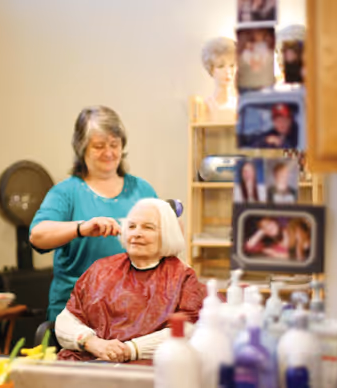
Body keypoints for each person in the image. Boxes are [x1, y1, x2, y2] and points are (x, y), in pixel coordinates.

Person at [30, 106, 157, 322]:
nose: (108, 153)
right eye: (99, 146)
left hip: (132, 314)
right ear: (82, 149)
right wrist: (81, 228)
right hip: (77, 317)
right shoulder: (66, 192)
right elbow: (37, 236)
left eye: (114, 145)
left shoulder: (142, 190)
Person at [54, 198, 206, 364]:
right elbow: (66, 320)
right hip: (88, 360)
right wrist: (92, 343)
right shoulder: (101, 269)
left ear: (167, 234)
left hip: (145, 368)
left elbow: (187, 329)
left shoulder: (182, 276)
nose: (136, 233)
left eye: (148, 227)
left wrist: (131, 349)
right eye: (132, 226)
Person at [201, 37, 237, 113]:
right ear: (211, 69)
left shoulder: (240, 105)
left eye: (232, 65)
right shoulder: (206, 107)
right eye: (221, 66)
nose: (228, 71)